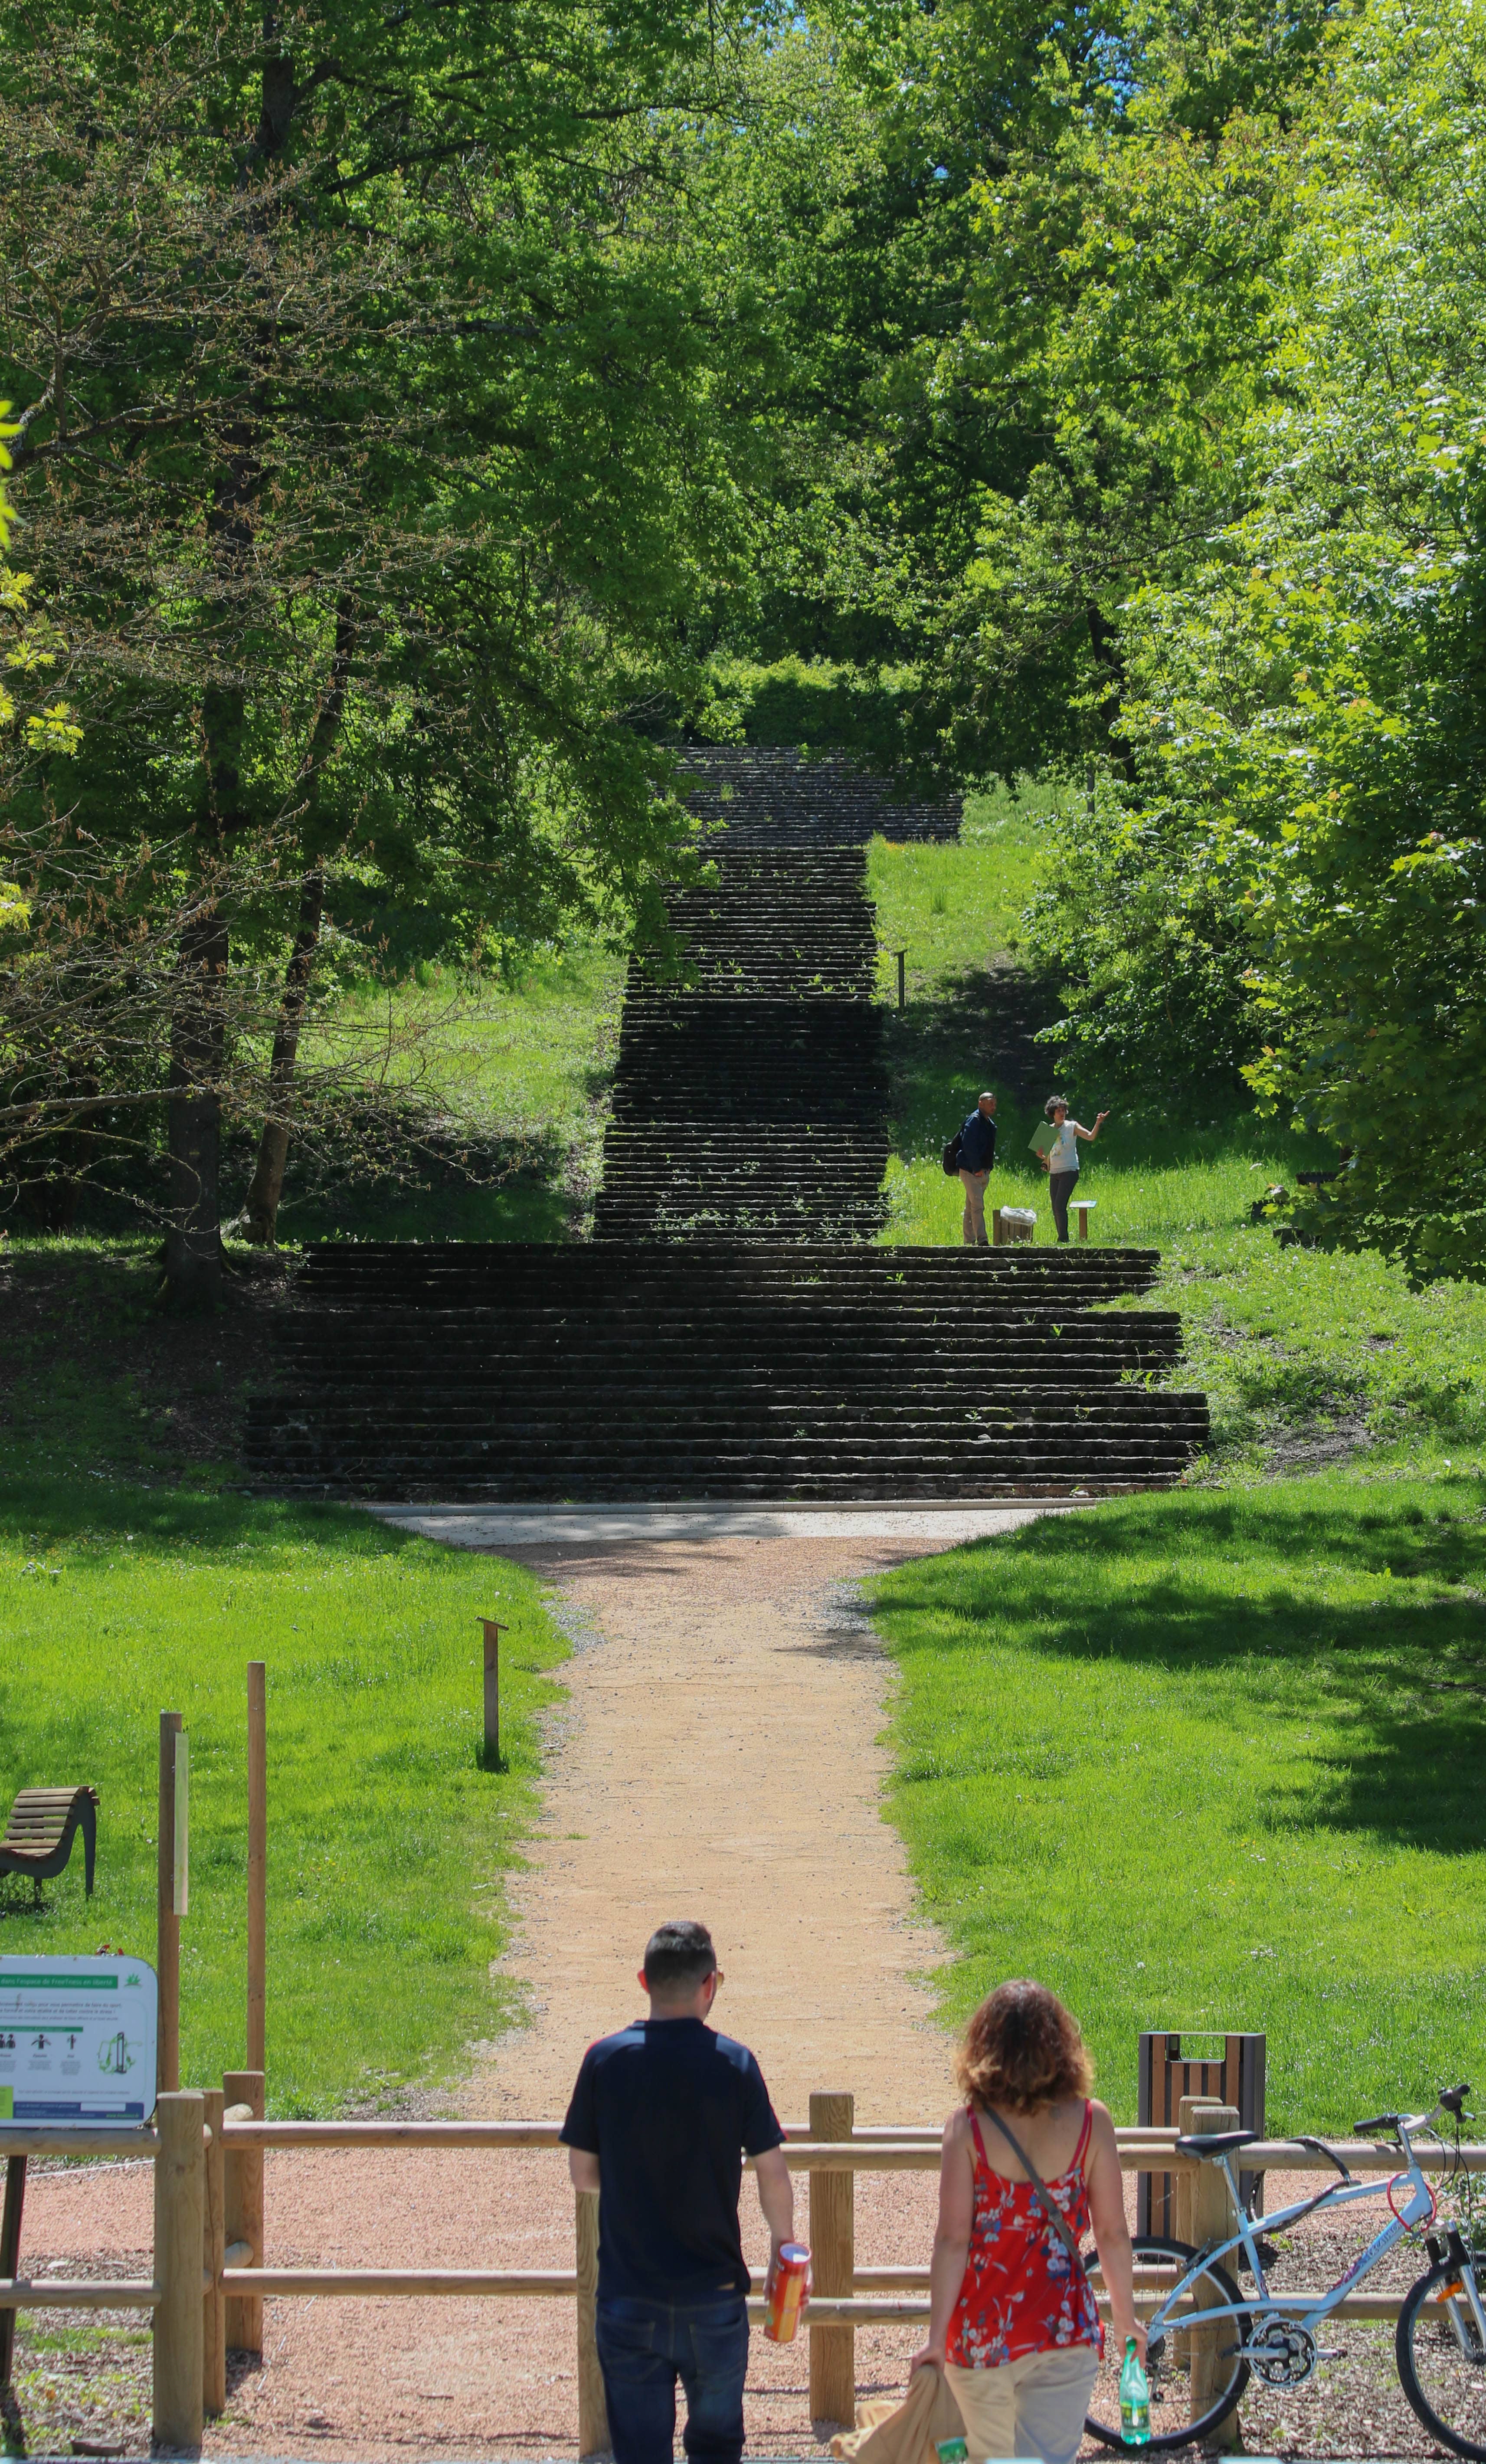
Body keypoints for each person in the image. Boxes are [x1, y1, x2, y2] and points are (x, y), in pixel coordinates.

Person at [561, 1919, 795, 2464]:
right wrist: (783, 2245)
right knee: (716, 2448)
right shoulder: (735, 2064)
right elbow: (772, 2171)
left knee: (640, 2452)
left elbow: (583, 2174)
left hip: (628, 2293)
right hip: (713, 2295)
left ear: (644, 1980)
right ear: (710, 1983)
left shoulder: (605, 2059)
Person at [909, 1979, 1144, 2464]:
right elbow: (1113, 2234)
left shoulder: (966, 2128)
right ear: (1061, 2045)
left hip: (980, 2332)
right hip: (1062, 2326)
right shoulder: (1092, 2123)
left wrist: (934, 2339)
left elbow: (952, 2241)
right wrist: (1125, 2318)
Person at [1037, 1096, 1108, 1244]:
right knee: (1055, 1207)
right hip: (1054, 1172)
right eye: (1058, 1111)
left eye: (1063, 1110)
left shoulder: (1071, 1126)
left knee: (1059, 1205)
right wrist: (1040, 1154)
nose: (1062, 1113)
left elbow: (1090, 1137)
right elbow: (1043, 1153)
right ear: (1052, 1113)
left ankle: (1063, 1239)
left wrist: (1098, 1123)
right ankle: (1062, 1238)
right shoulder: (1048, 1130)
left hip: (1069, 1171)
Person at [957, 1091, 998, 1247]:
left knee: (971, 1208)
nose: (994, 1106)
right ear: (981, 1103)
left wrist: (988, 1168)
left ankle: (969, 1242)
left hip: (982, 1171)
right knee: (978, 1206)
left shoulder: (988, 1124)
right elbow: (969, 1145)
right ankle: (983, 1240)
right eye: (990, 1103)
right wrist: (976, 1168)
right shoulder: (974, 1121)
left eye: (995, 1103)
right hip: (971, 1171)